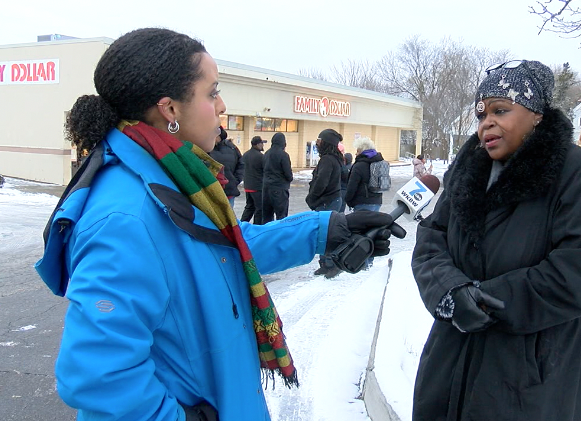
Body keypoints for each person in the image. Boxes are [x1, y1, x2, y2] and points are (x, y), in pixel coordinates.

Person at [33, 28, 401, 421]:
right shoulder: (124, 219)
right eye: (212, 93)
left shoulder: (173, 176)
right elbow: (95, 375)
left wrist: (325, 229)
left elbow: (222, 248)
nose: (222, 105)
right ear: (169, 110)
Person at [411, 60, 581, 421]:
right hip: (452, 357)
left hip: (535, 372)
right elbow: (431, 239)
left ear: (536, 114)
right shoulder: (465, 170)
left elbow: (579, 275)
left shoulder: (575, 171)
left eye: (500, 110)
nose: (486, 122)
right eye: (481, 114)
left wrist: (486, 302)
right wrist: (451, 292)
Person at [307, 129, 344, 278]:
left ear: (326, 142)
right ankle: (325, 263)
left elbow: (322, 182)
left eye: (319, 140)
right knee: (324, 233)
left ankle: (332, 264)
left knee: (327, 234)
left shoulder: (328, 160)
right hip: (329, 200)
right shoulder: (332, 159)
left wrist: (312, 197)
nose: (317, 143)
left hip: (327, 201)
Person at [345, 136, 386, 270]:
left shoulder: (359, 165)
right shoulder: (379, 162)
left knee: (361, 234)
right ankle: (370, 260)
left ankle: (362, 263)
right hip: (376, 201)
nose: (355, 153)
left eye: (357, 150)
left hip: (362, 203)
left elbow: (352, 186)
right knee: (373, 232)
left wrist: (349, 200)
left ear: (362, 150)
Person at [208, 126, 243, 208]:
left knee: (228, 218)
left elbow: (241, 164)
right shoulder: (207, 147)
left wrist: (235, 180)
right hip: (212, 191)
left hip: (229, 190)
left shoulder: (232, 148)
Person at [262, 132, 293, 222]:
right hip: (279, 189)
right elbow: (288, 174)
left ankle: (267, 234)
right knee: (281, 216)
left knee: (267, 216)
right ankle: (281, 234)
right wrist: (289, 179)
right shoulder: (283, 155)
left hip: (266, 188)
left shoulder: (266, 154)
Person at [240, 135, 266, 224]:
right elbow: (265, 170)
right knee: (260, 208)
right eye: (262, 143)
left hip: (247, 185)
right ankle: (257, 226)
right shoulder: (260, 156)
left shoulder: (245, 154)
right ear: (257, 144)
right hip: (257, 186)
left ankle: (242, 224)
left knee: (249, 206)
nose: (263, 145)